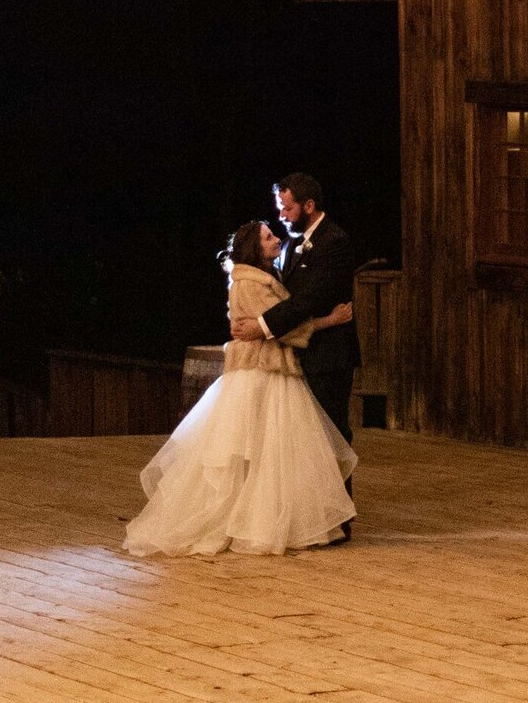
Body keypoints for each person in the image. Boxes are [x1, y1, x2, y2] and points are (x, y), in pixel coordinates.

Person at [121, 220, 355, 557]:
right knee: (263, 451)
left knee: (268, 453)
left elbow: (269, 323)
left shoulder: (257, 278)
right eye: (268, 237)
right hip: (262, 371)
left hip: (265, 368)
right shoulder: (252, 282)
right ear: (254, 248)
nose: (276, 239)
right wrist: (328, 321)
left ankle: (270, 519)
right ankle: (255, 522)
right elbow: (280, 326)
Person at [231, 172, 365, 540]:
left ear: (308, 205)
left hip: (328, 356)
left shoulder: (334, 242)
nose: (283, 215)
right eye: (279, 208)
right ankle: (306, 515)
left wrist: (262, 325)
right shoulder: (292, 245)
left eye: (288, 208)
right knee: (302, 440)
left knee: (331, 433)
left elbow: (310, 299)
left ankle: (337, 517)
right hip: (296, 353)